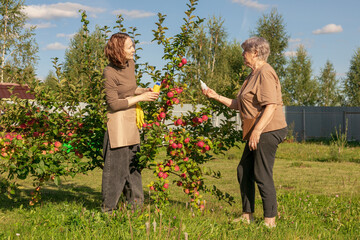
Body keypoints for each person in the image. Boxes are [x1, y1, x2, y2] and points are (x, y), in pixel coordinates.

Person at [202, 37, 287, 227]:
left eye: (245, 51)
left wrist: (257, 131)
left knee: (261, 173)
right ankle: (247, 216)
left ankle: (270, 220)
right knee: (244, 170)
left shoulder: (265, 72)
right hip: (256, 129)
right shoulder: (252, 75)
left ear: (255, 52)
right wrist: (215, 96)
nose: (243, 55)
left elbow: (271, 106)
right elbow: (239, 105)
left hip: (268, 128)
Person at [101, 32, 159, 213]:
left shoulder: (130, 65)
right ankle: (108, 211)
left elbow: (131, 89)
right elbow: (113, 103)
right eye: (130, 47)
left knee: (134, 167)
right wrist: (141, 97)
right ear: (119, 50)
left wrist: (144, 90)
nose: (134, 49)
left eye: (133, 46)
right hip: (118, 124)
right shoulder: (109, 72)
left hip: (131, 120)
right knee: (115, 171)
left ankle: (136, 209)